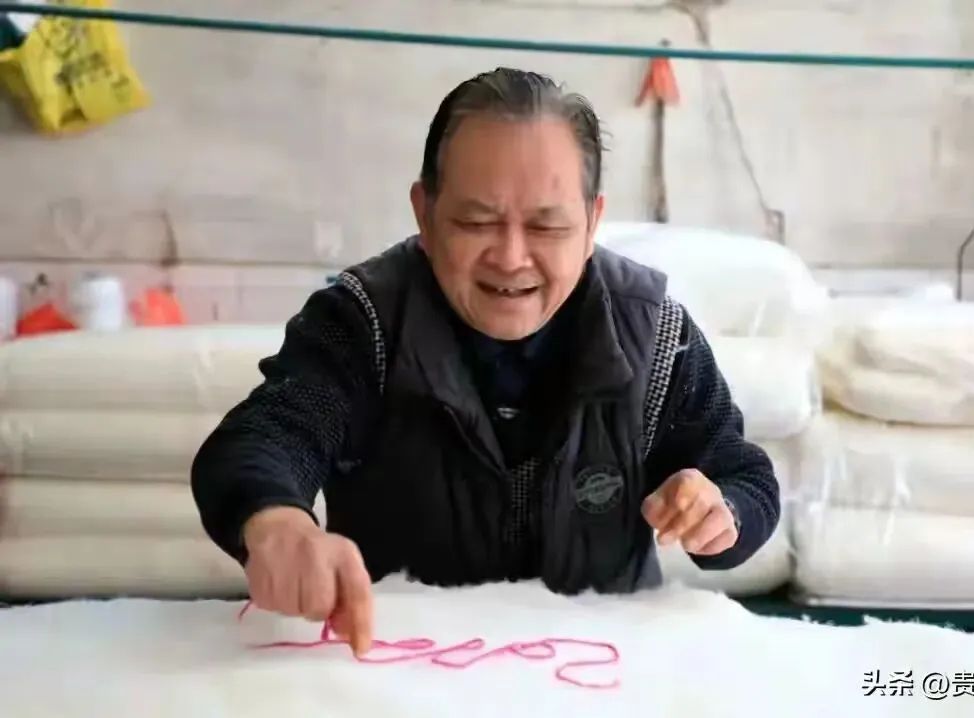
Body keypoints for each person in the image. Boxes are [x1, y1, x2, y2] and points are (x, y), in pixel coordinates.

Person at [191, 67, 780, 659]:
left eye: (548, 226)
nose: (511, 258)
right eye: (476, 222)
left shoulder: (653, 334)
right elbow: (265, 435)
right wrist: (276, 522)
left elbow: (745, 477)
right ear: (424, 213)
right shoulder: (365, 322)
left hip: (597, 672)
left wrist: (721, 511)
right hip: (403, 670)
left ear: (592, 223)